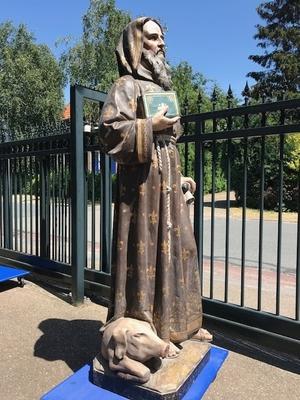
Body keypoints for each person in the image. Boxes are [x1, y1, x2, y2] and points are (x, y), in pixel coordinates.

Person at [99, 17, 212, 357]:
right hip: (142, 187)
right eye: (152, 37)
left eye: (162, 38)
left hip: (168, 183)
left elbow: (170, 143)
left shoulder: (163, 90)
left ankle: (181, 325)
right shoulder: (126, 86)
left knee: (180, 248)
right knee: (145, 249)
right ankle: (144, 328)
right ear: (137, 45)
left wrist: (178, 177)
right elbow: (110, 132)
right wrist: (150, 125)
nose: (161, 43)